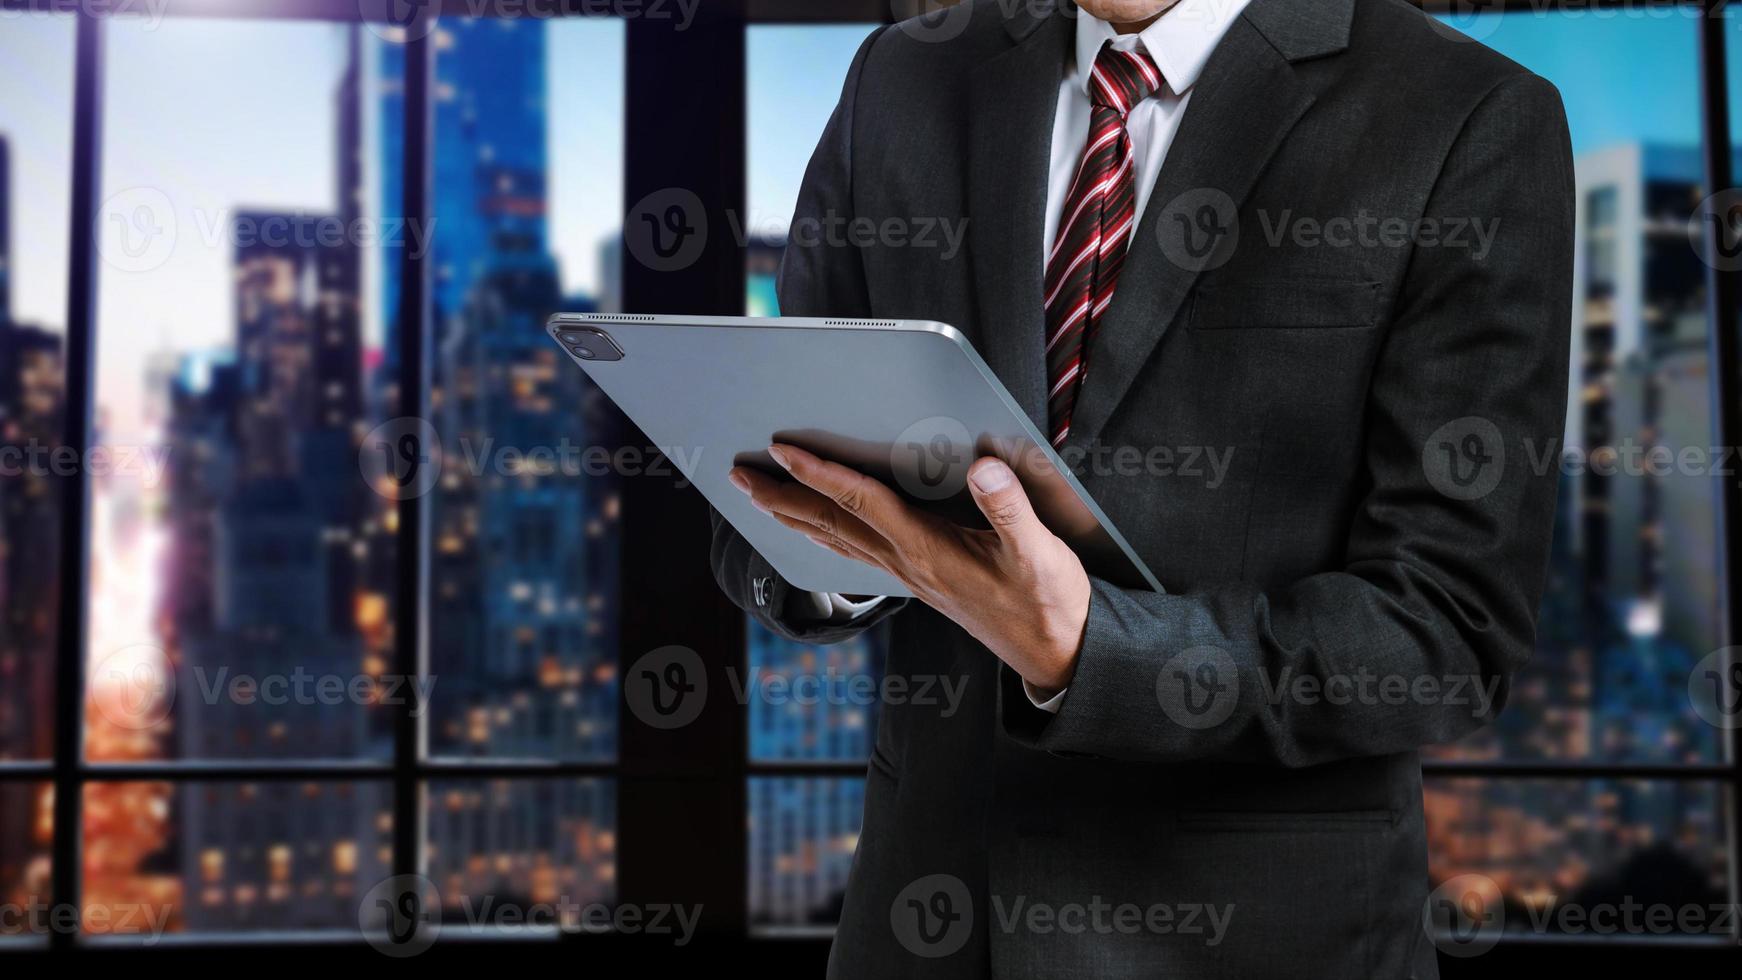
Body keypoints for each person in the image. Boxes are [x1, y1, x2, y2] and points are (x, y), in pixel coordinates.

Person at [713, 0, 1573, 975]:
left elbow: (1448, 631)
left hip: (1260, 946)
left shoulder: (1465, 113)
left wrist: (1087, 652)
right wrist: (846, 550)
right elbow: (773, 464)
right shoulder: (901, 80)